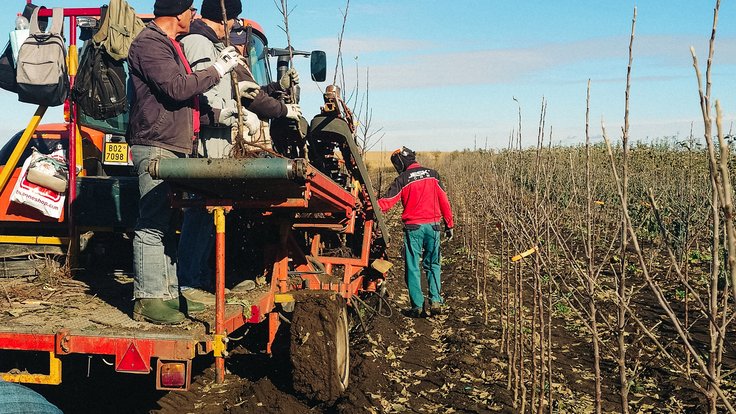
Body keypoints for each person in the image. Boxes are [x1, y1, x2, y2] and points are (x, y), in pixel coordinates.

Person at [127, 0, 245, 324]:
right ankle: (148, 299)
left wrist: (219, 115)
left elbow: (186, 101)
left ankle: (169, 295)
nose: (194, 14)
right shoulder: (149, 43)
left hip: (172, 145)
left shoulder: (168, 45)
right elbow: (178, 88)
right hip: (155, 145)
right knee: (152, 223)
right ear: (178, 13)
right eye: (190, 9)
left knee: (165, 225)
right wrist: (217, 70)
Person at [176, 10, 302, 304]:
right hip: (209, 141)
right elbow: (204, 94)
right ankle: (190, 282)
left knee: (210, 213)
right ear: (224, 21)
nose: (233, 30)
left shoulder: (214, 46)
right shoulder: (199, 43)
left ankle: (202, 278)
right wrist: (279, 109)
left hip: (219, 139)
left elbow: (246, 91)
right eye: (232, 25)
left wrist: (276, 89)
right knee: (200, 210)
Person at [378, 147, 454, 318]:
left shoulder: (402, 179)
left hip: (414, 229)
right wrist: (449, 224)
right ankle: (435, 301)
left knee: (413, 267)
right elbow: (444, 200)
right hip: (433, 226)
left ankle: (417, 307)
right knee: (433, 264)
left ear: (400, 163)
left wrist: (372, 206)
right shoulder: (433, 175)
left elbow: (387, 202)